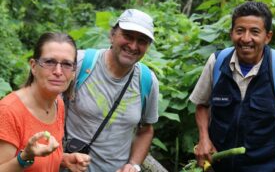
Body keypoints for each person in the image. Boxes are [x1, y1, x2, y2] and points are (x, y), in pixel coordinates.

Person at [190, 1, 275, 172]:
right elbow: (202, 105)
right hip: (217, 166)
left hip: (265, 167)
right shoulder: (217, 62)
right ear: (231, 33)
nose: (246, 38)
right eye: (239, 31)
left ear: (268, 36)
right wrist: (204, 138)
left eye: (255, 32)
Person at [64, 9, 159, 172]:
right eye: (128, 36)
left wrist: (134, 165)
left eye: (142, 41)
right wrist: (59, 157)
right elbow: (46, 108)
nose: (133, 46)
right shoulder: (80, 63)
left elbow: (146, 130)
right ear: (112, 35)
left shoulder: (147, 81)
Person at [0, 32, 91, 172]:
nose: (58, 71)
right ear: (33, 66)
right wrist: (25, 158)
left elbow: (43, 157)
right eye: (49, 62)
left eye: (67, 64)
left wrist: (64, 159)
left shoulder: (57, 103)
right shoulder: (8, 111)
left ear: (74, 72)